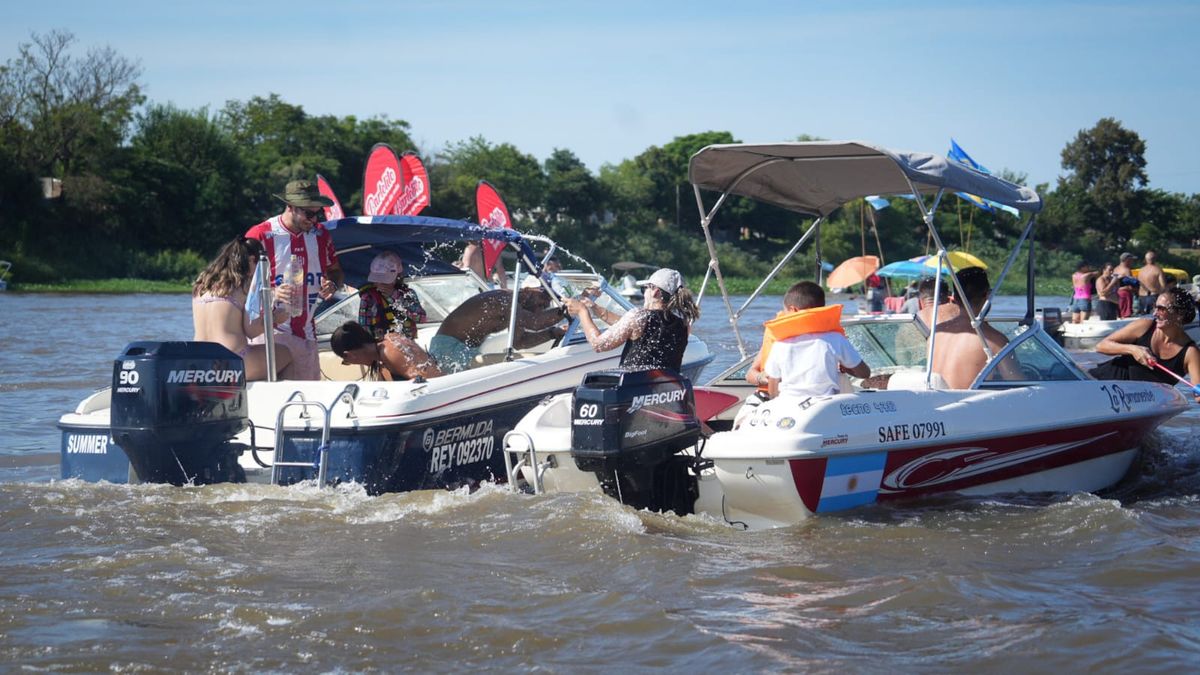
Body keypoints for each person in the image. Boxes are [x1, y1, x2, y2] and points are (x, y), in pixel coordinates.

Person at [244, 179, 344, 380]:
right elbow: (240, 285)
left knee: (308, 403)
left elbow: (336, 271)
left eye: (317, 213)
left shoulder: (321, 234)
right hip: (270, 334)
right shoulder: (260, 234)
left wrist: (332, 284)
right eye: (309, 213)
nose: (314, 219)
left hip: (306, 334)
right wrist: (271, 292)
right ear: (290, 207)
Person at [191, 237, 294, 381]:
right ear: (252, 261)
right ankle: (278, 401)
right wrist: (276, 317)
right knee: (287, 354)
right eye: (261, 266)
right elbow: (251, 330)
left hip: (199, 361)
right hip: (234, 359)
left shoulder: (202, 285)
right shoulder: (245, 286)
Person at [564, 268, 700, 371]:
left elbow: (599, 344)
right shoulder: (684, 325)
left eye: (644, 289)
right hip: (663, 390)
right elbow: (630, 327)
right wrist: (593, 307)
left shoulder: (638, 316)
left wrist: (582, 312)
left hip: (633, 390)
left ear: (655, 292)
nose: (644, 293)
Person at [761, 281, 870, 399]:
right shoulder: (835, 339)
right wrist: (847, 367)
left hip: (789, 403)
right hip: (826, 404)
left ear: (793, 310)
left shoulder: (780, 344)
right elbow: (864, 373)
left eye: (785, 312)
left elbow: (772, 390)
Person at [1089, 287, 1200, 401]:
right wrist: (1133, 350)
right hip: (1100, 386)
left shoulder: (1190, 353)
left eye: (1161, 309)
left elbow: (1198, 396)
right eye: (1155, 307)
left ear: (1179, 314)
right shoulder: (1144, 326)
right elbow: (1101, 346)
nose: (1155, 313)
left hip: (1137, 404)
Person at [430, 288, 566, 373]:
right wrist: (570, 310)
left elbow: (519, 342)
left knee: (532, 360)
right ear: (527, 291)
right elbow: (535, 322)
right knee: (535, 360)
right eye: (541, 302)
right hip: (448, 349)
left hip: (463, 351)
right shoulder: (507, 300)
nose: (539, 309)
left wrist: (552, 333)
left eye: (544, 308)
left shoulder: (516, 309)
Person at [928, 267, 1022, 389]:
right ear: (988, 295)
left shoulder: (936, 333)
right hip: (969, 405)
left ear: (954, 297)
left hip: (935, 403)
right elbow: (1018, 384)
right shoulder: (995, 341)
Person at [330, 321, 443, 382]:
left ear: (348, 355)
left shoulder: (390, 352)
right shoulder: (386, 345)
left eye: (346, 361)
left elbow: (429, 381)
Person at [357, 251, 427, 340]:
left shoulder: (407, 294)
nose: (381, 282)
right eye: (377, 279)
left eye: (385, 278)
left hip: (407, 344)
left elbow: (422, 318)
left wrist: (395, 297)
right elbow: (364, 328)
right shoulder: (368, 297)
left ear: (397, 277)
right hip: (382, 346)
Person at [1137, 250, 1168, 316]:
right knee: (1153, 318)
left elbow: (1138, 284)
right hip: (1153, 296)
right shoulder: (1158, 270)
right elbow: (1163, 286)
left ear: (1145, 259)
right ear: (1155, 259)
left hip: (1141, 297)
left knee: (1142, 318)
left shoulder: (1141, 270)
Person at [1114, 252, 1138, 318]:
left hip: (1116, 295)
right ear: (1127, 260)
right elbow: (1131, 286)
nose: (1132, 262)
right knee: (1126, 316)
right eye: (1131, 260)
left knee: (1120, 315)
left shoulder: (1115, 269)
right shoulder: (1127, 270)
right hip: (1125, 294)